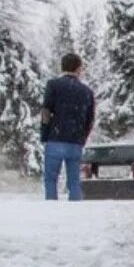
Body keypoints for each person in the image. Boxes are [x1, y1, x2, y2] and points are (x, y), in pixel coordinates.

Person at [41, 53, 96, 201]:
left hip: (55, 139)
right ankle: (75, 211)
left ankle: (51, 209)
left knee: (51, 180)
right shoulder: (87, 91)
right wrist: (82, 138)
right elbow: (90, 119)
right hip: (75, 141)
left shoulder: (53, 85)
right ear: (79, 69)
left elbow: (46, 112)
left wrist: (45, 135)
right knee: (74, 182)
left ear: (62, 67)